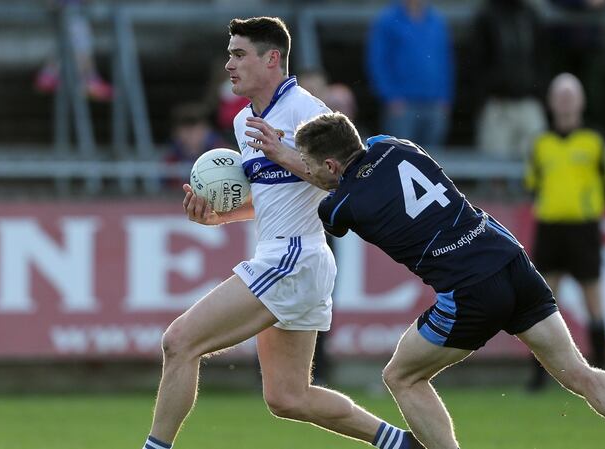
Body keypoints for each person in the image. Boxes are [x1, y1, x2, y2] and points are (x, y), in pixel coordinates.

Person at [284, 111, 605, 449]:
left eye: (311, 163)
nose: (309, 169)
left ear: (332, 166)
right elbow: (363, 153)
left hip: (470, 288)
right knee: (578, 372)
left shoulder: (341, 206)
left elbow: (328, 191)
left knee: (400, 376)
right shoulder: (395, 144)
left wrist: (279, 156)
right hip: (508, 259)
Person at [142, 17, 422, 449]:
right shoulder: (243, 123)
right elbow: (272, 200)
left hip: (295, 255)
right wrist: (215, 218)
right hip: (291, 258)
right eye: (228, 54)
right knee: (288, 397)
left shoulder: (310, 113)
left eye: (239, 55)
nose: (228, 65)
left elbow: (349, 183)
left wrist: (282, 151)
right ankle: (400, 443)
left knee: (179, 342)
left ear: (272, 58)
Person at [524, 73, 605, 390]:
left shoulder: (596, 139)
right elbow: (533, 184)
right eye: (560, 95)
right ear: (551, 102)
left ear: (581, 101)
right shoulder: (541, 143)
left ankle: (604, 371)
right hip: (550, 227)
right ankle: (540, 376)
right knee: (541, 302)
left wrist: (586, 207)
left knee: (593, 297)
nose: (565, 101)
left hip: (583, 229)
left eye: (571, 95)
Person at [366, 0, 454, 148]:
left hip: (434, 104)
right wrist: (390, 96)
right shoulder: (387, 19)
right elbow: (377, 61)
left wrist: (445, 97)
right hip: (402, 105)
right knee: (401, 157)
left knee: (433, 161)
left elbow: (445, 60)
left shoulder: (437, 19)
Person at [471, 0, 548, 159]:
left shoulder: (532, 16)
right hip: (497, 105)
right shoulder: (485, 16)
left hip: (529, 103)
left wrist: (539, 95)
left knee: (536, 164)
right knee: (495, 170)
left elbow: (542, 60)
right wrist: (484, 99)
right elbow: (476, 64)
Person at [34, 0, 112, 101]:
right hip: (65, 11)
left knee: (77, 39)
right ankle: (89, 78)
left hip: (71, 11)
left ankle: (49, 74)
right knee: (79, 37)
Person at [161, 103, 228, 190]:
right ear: (176, 133)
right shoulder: (170, 160)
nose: (192, 136)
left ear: (207, 130)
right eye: (186, 131)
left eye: (196, 130)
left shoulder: (223, 154)